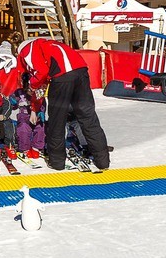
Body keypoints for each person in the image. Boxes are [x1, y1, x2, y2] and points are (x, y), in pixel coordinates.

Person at [17, 37, 109, 172]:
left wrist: (32, 84)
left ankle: (57, 162)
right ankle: (103, 160)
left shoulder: (27, 49)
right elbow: (47, 72)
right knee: (88, 117)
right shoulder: (51, 44)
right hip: (82, 72)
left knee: (57, 120)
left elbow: (40, 72)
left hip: (61, 78)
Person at [9, 75, 45, 160]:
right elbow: (13, 102)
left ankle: (36, 147)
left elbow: (43, 103)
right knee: (23, 128)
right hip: (24, 115)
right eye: (28, 89)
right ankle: (25, 148)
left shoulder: (39, 92)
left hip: (36, 115)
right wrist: (12, 101)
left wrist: (41, 112)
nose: (30, 91)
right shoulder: (19, 92)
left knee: (40, 128)